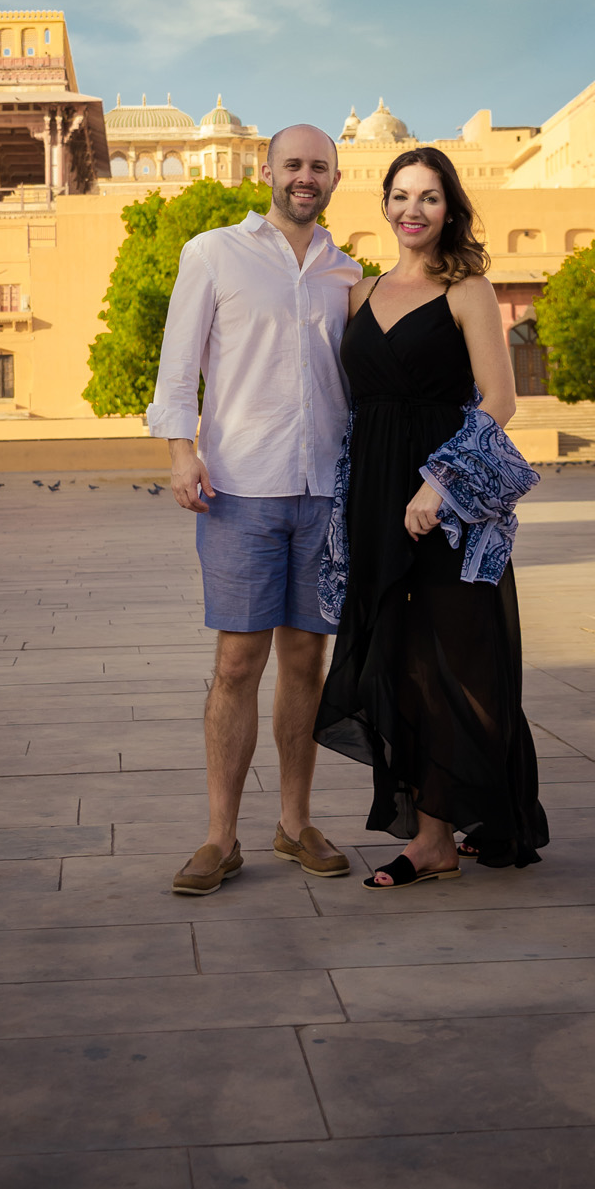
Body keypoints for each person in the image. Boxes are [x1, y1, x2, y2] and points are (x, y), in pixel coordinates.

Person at [314, 146, 549, 888]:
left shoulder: (466, 288)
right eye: (400, 195)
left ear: (449, 209)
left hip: (443, 506)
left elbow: (498, 399)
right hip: (371, 501)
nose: (412, 209)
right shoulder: (356, 293)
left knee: (462, 662)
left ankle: (458, 824)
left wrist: (437, 486)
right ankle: (433, 832)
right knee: (401, 664)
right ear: (382, 205)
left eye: (429, 197)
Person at [147, 125, 361, 896]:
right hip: (239, 488)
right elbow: (178, 365)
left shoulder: (347, 273)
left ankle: (295, 824)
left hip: (325, 493)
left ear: (336, 177)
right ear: (265, 170)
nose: (305, 177)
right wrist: (180, 452)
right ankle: (218, 837)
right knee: (237, 662)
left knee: (307, 661)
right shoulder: (212, 252)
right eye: (293, 165)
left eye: (319, 167)